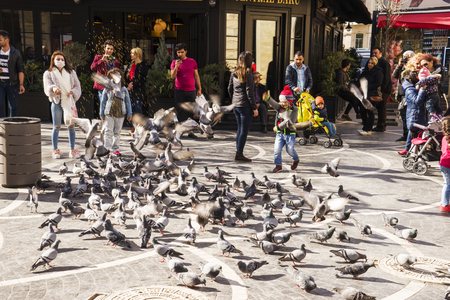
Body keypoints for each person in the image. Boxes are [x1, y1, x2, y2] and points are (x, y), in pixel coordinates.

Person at [43, 51, 81, 159]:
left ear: (65, 61)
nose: (60, 61)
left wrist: (73, 92)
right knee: (57, 126)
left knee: (71, 125)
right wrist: (53, 89)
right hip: (57, 101)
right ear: (53, 61)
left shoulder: (71, 72)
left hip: (69, 101)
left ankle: (72, 149)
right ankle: (55, 149)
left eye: (62, 59)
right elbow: (47, 86)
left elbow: (77, 86)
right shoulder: (48, 73)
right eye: (57, 59)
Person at [228, 51, 258, 162]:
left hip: (236, 105)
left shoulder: (234, 72)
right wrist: (254, 108)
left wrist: (234, 99)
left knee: (240, 129)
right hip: (245, 106)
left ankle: (238, 152)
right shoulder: (248, 72)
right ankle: (239, 154)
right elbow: (250, 92)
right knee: (243, 131)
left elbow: (229, 88)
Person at [262, 85, 299, 173]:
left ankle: (296, 159)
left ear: (290, 101)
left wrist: (278, 127)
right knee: (277, 150)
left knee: (290, 150)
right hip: (280, 134)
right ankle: (278, 165)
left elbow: (289, 121)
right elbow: (273, 103)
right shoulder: (280, 108)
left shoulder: (294, 109)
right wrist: (267, 98)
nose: (283, 104)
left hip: (290, 134)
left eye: (285, 102)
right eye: (282, 102)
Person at [170, 43, 202, 138]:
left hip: (191, 90)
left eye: (182, 52)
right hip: (179, 90)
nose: (180, 54)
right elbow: (172, 76)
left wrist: (199, 88)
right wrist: (176, 66)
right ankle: (179, 131)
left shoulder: (192, 62)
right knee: (179, 111)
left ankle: (190, 132)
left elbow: (196, 75)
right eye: (178, 52)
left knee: (190, 111)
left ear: (186, 51)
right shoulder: (174, 62)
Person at [100, 68, 132, 156]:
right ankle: (107, 149)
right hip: (109, 113)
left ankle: (116, 149)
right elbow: (103, 101)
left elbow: (128, 102)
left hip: (120, 114)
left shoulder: (124, 89)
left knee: (117, 132)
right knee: (108, 131)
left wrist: (129, 114)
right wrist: (101, 113)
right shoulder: (107, 89)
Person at [397, 70, 427, 156]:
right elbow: (417, 102)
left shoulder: (412, 88)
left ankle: (408, 149)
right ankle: (414, 152)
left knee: (413, 132)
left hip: (416, 114)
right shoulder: (410, 90)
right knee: (414, 132)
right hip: (414, 115)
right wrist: (422, 90)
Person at [0, 30, 25, 117]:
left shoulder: (16, 53)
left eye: (0, 39)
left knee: (13, 106)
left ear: (7, 40)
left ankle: (13, 125)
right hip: (0, 82)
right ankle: (2, 125)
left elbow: (20, 69)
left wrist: (21, 84)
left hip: (12, 83)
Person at [392, 50, 415, 143]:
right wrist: (399, 66)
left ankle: (409, 136)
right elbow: (394, 75)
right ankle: (405, 135)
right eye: (404, 57)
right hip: (402, 95)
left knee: (409, 116)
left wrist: (408, 67)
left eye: (407, 57)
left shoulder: (413, 68)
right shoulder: (402, 67)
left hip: (409, 95)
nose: (405, 59)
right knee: (403, 116)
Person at [357, 57, 383, 136]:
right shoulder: (365, 71)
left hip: (372, 94)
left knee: (370, 112)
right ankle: (365, 128)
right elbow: (359, 79)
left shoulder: (378, 72)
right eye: (369, 63)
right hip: (364, 94)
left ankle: (369, 129)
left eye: (372, 63)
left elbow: (378, 83)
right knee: (363, 111)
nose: (370, 64)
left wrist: (366, 87)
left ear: (375, 64)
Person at [91, 40, 120, 109]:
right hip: (102, 86)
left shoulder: (115, 60)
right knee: (103, 106)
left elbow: (117, 73)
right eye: (108, 48)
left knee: (111, 107)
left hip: (112, 87)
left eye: (111, 49)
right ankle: (104, 119)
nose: (109, 50)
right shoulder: (98, 57)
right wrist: (101, 60)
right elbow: (92, 68)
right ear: (104, 48)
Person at [370, 47, 392, 132]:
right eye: (373, 53)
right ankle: (377, 125)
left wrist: (382, 91)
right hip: (376, 89)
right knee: (377, 107)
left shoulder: (384, 63)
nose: (374, 54)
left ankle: (381, 125)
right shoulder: (374, 63)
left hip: (383, 90)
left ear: (380, 54)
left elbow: (386, 78)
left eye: (376, 53)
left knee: (382, 107)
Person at [125, 47, 149, 122]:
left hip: (139, 91)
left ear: (137, 55)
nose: (131, 55)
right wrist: (127, 85)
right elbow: (125, 76)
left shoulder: (143, 65)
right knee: (130, 110)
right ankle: (132, 128)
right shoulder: (130, 64)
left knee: (138, 109)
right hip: (130, 91)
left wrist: (133, 84)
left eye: (133, 53)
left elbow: (142, 79)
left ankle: (139, 128)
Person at [439, 116, 450, 212]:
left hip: (443, 163)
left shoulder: (444, 138)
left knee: (447, 184)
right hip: (447, 164)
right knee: (448, 185)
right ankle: (445, 204)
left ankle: (444, 202)